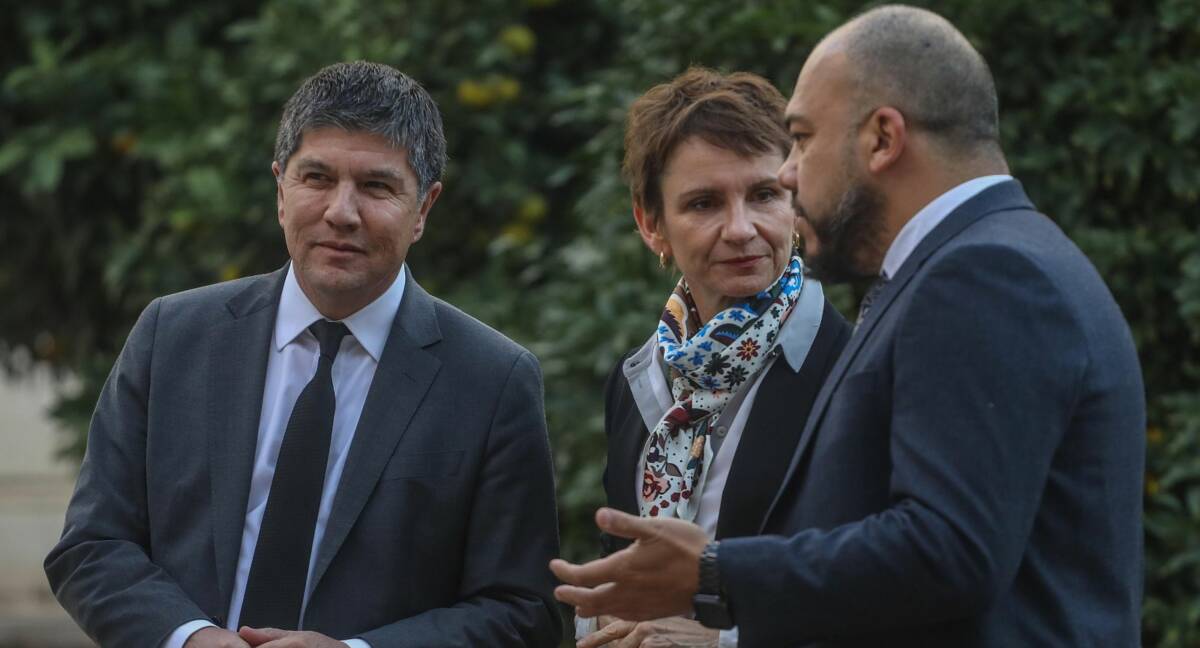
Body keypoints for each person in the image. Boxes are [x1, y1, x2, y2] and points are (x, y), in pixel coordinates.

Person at [551, 6, 1145, 647]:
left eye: (802, 139)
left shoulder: (981, 272)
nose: (789, 174)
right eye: (703, 202)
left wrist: (713, 585)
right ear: (651, 224)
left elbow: (945, 552)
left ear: (883, 139)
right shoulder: (994, 258)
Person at [45, 61, 562, 648]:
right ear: (280, 190)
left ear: (423, 209)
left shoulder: (492, 380)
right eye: (316, 177)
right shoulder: (174, 336)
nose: (341, 212)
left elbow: (523, 611)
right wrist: (188, 638)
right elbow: (92, 545)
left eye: (376, 186)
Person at [575, 68, 851, 648]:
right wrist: (603, 623)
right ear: (651, 225)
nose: (741, 228)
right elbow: (619, 561)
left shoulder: (851, 371)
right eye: (704, 203)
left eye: (764, 195)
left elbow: (891, 597)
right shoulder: (636, 379)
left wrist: (720, 643)